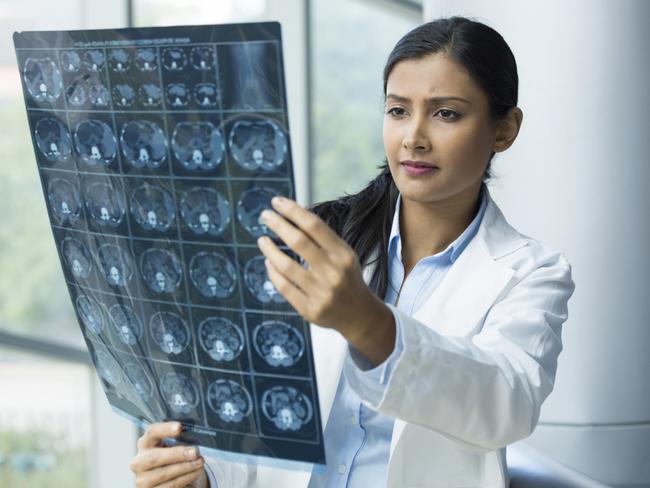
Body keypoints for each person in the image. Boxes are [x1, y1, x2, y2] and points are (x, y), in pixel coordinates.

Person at [129, 16, 575, 488]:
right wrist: (199, 477)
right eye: (398, 110)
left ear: (504, 129)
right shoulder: (320, 237)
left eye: (446, 113)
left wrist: (367, 322)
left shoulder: (533, 272)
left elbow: (502, 406)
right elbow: (261, 427)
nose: (413, 137)